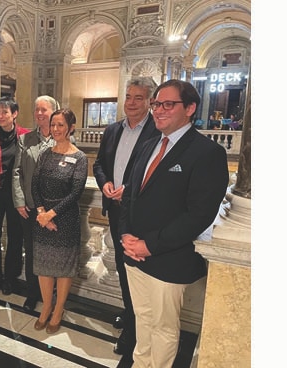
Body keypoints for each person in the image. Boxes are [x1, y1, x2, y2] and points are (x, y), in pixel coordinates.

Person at [118, 79, 229, 367]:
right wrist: (125, 235)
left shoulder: (207, 153)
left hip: (168, 258)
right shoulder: (149, 145)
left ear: (190, 108)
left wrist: (148, 245)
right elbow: (130, 194)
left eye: (168, 104)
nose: (159, 110)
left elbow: (199, 215)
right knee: (142, 320)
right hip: (133, 254)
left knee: (164, 328)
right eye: (156, 104)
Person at [92, 77, 160, 356]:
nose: (131, 103)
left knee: (138, 274)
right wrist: (105, 183)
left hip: (142, 215)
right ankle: (130, 316)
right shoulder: (112, 130)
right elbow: (98, 164)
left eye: (138, 98)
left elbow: (157, 174)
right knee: (122, 269)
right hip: (116, 211)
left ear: (149, 102)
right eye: (128, 96)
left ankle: (134, 332)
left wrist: (129, 189)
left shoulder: (158, 130)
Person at [31, 108, 88, 334]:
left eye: (61, 125)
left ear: (71, 127)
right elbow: (34, 184)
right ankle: (46, 307)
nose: (55, 129)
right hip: (43, 218)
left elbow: (76, 193)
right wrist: (42, 213)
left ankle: (59, 310)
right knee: (44, 267)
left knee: (64, 269)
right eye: (53, 125)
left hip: (65, 219)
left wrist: (51, 215)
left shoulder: (79, 157)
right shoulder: (46, 153)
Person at [12, 95, 59, 312]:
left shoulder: (63, 140)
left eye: (44, 110)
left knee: (52, 253)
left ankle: (52, 295)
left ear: (54, 112)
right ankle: (33, 294)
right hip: (30, 208)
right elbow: (17, 172)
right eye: (36, 109)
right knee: (31, 252)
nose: (39, 114)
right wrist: (20, 201)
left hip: (53, 211)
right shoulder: (25, 140)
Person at [0, 96, 30, 299]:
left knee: (15, 238)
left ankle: (10, 278)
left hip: (17, 196)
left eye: (5, 112)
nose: (0, 116)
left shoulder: (25, 136)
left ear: (14, 114)